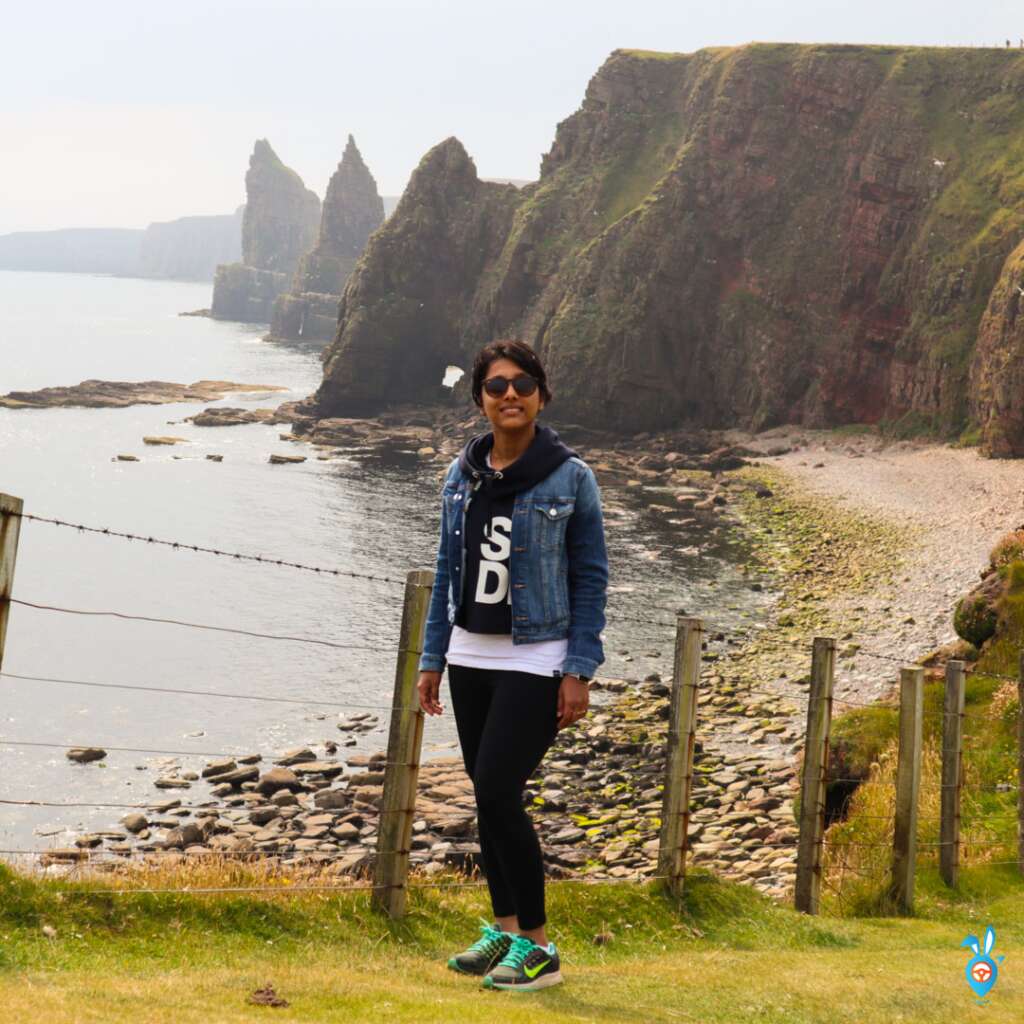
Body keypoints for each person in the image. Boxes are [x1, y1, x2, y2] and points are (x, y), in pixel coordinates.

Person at [416, 339, 608, 992]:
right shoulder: (460, 474)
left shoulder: (570, 477)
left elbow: (590, 576)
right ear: (480, 402)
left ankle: (541, 948)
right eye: (496, 387)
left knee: (499, 790)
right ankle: (503, 932)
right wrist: (432, 658)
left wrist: (579, 668)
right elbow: (447, 571)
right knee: (488, 797)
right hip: (470, 653)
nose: (510, 395)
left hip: (539, 658)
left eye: (523, 384)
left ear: (542, 396)